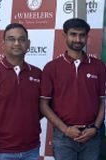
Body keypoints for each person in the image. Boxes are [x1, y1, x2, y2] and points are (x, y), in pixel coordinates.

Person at [40, 18, 106, 160]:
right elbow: (43, 105)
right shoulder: (51, 67)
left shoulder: (99, 66)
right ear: (65, 36)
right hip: (63, 137)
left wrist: (95, 128)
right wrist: (66, 130)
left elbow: (102, 101)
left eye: (82, 35)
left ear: (87, 37)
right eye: (73, 34)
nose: (77, 39)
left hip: (92, 137)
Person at [0, 23, 42, 160]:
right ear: (3, 44)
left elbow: (42, 109)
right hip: (1, 152)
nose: (17, 43)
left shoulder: (38, 74)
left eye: (22, 39)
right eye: (11, 39)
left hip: (32, 150)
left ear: (28, 44)